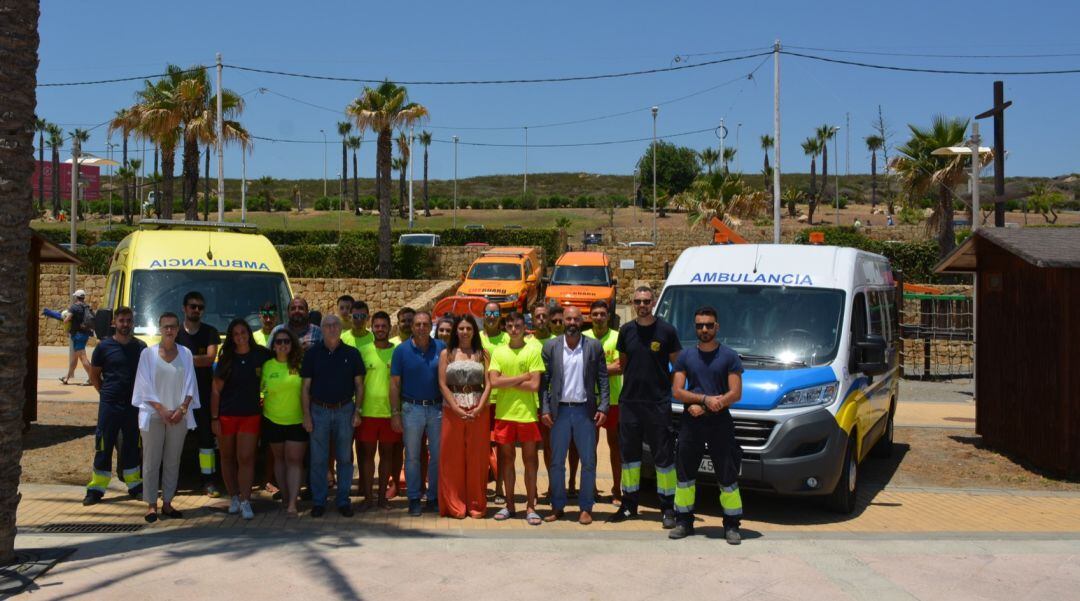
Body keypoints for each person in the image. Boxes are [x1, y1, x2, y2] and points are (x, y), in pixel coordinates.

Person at [608, 286, 682, 529]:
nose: (642, 305)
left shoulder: (667, 331)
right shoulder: (626, 331)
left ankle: (668, 507)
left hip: (658, 404)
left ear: (654, 302)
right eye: (638, 301)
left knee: (663, 458)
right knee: (629, 457)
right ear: (632, 303)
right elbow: (624, 365)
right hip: (630, 403)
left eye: (647, 301)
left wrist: (668, 390)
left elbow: (678, 367)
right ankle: (629, 505)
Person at [669, 306, 744, 544]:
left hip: (720, 422)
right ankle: (683, 521)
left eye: (709, 325)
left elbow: (735, 393)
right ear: (695, 327)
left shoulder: (730, 356)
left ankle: (731, 525)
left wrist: (712, 404)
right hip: (691, 422)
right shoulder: (686, 356)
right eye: (700, 325)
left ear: (717, 327)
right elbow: (677, 391)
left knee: (727, 474)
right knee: (684, 473)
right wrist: (701, 400)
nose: (704, 329)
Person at [539, 307, 609, 525]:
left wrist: (604, 406)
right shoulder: (551, 346)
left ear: (582, 321)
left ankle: (586, 507)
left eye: (576, 319)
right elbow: (544, 383)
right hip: (559, 411)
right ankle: (558, 506)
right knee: (556, 462)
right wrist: (545, 409)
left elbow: (603, 379)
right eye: (567, 318)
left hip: (584, 412)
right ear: (561, 322)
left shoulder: (593, 346)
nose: (571, 322)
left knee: (589, 462)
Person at [132, 312, 198, 523]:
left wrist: (182, 409)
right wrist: (161, 409)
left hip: (179, 416)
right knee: (151, 461)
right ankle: (151, 504)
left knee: (172, 460)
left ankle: (167, 502)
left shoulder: (186, 353)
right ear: (160, 329)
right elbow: (144, 385)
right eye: (165, 327)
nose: (169, 330)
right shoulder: (148, 355)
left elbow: (190, 384)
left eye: (173, 327)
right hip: (154, 415)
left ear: (178, 329)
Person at [301, 314, 364, 517]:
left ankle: (343, 501)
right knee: (318, 459)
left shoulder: (352, 353)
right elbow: (305, 388)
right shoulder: (312, 354)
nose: (332, 328)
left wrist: (358, 411)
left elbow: (359, 386)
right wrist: (306, 416)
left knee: (344, 458)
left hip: (345, 410)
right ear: (322, 329)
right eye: (327, 325)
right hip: (318, 411)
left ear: (340, 328)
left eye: (335, 325)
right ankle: (319, 501)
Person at [84, 307, 147, 505]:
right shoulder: (103, 347)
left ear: (132, 323)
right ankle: (96, 489)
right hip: (109, 405)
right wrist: (105, 393)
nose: (125, 324)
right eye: (121, 321)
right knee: (104, 445)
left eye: (128, 320)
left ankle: (135, 485)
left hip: (132, 405)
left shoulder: (141, 347)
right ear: (114, 323)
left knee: (131, 445)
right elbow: (94, 375)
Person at [488, 312, 545, 525]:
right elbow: (493, 382)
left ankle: (531, 506)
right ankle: (510, 505)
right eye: (510, 325)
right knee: (507, 460)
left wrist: (506, 380)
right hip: (504, 414)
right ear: (505, 328)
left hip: (527, 415)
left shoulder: (533, 350)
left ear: (524, 326)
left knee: (530, 461)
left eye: (518, 325)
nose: (513, 329)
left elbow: (534, 385)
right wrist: (522, 377)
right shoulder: (499, 352)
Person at [211, 319, 272, 520]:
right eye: (236, 334)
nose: (240, 336)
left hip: (250, 415)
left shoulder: (261, 354)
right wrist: (214, 418)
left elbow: (282, 360)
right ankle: (234, 497)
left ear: (249, 333)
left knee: (246, 458)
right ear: (231, 337)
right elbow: (216, 391)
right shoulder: (226, 359)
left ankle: (246, 500)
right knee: (227, 458)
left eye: (243, 332)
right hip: (227, 416)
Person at [390, 311, 445, 515]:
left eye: (425, 324)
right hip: (411, 409)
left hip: (436, 408)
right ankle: (414, 497)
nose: (421, 328)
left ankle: (433, 497)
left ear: (431, 326)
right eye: (418, 324)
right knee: (412, 456)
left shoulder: (441, 348)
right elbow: (395, 385)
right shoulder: (401, 351)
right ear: (412, 327)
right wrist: (395, 413)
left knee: (437, 456)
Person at [437, 314, 491, 519]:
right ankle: (455, 504)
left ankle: (476, 504)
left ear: (474, 331)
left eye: (469, 328)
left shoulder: (482, 353)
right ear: (455, 331)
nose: (465, 332)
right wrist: (456, 407)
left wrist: (479, 407)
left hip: (478, 408)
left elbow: (489, 383)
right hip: (453, 409)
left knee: (477, 458)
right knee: (452, 458)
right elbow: (442, 383)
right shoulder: (447, 354)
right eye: (461, 328)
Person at [175, 291, 221, 498]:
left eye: (200, 307)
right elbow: (166, 357)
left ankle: (208, 480)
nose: (196, 310)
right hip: (177, 396)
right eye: (193, 306)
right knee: (175, 441)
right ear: (184, 308)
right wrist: (195, 359)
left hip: (202, 395)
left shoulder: (210, 332)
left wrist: (183, 358)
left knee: (206, 443)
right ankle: (172, 482)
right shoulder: (174, 333)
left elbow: (209, 359)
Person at [579, 300, 624, 505]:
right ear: (590, 316)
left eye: (602, 314)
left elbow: (621, 366)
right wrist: (606, 367)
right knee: (590, 447)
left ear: (608, 316)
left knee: (615, 446)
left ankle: (617, 489)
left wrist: (595, 367)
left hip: (613, 400)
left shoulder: (616, 337)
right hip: (589, 400)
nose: (598, 317)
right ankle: (592, 488)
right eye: (594, 314)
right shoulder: (583, 338)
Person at [355, 311, 400, 511]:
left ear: (390, 328)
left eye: (384, 326)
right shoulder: (363, 351)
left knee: (387, 456)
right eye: (377, 326)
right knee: (366, 456)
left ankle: (382, 498)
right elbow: (356, 383)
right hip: (368, 412)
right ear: (371, 328)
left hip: (390, 413)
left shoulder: (398, 351)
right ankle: (368, 498)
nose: (380, 329)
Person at [262, 327, 308, 516]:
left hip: (297, 420)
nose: (282, 345)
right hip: (273, 420)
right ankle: (286, 497)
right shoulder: (267, 366)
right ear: (273, 346)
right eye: (278, 342)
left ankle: (292, 504)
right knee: (280, 460)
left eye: (286, 342)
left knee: (295, 461)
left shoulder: (301, 364)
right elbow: (261, 389)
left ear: (292, 345)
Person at [479, 301, 509, 504]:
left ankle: (499, 489)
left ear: (500, 316)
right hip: (481, 401)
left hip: (503, 401)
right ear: (483, 315)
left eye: (495, 313)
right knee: (480, 447)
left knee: (502, 448)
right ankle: (480, 487)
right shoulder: (476, 337)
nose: (491, 316)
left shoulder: (508, 338)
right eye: (488, 313)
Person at [61, 289, 93, 386]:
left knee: (83, 358)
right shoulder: (87, 307)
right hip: (85, 334)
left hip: (78, 335)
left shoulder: (74, 307)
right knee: (75, 358)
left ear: (76, 297)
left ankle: (92, 378)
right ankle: (67, 377)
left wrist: (64, 317)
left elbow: (66, 320)